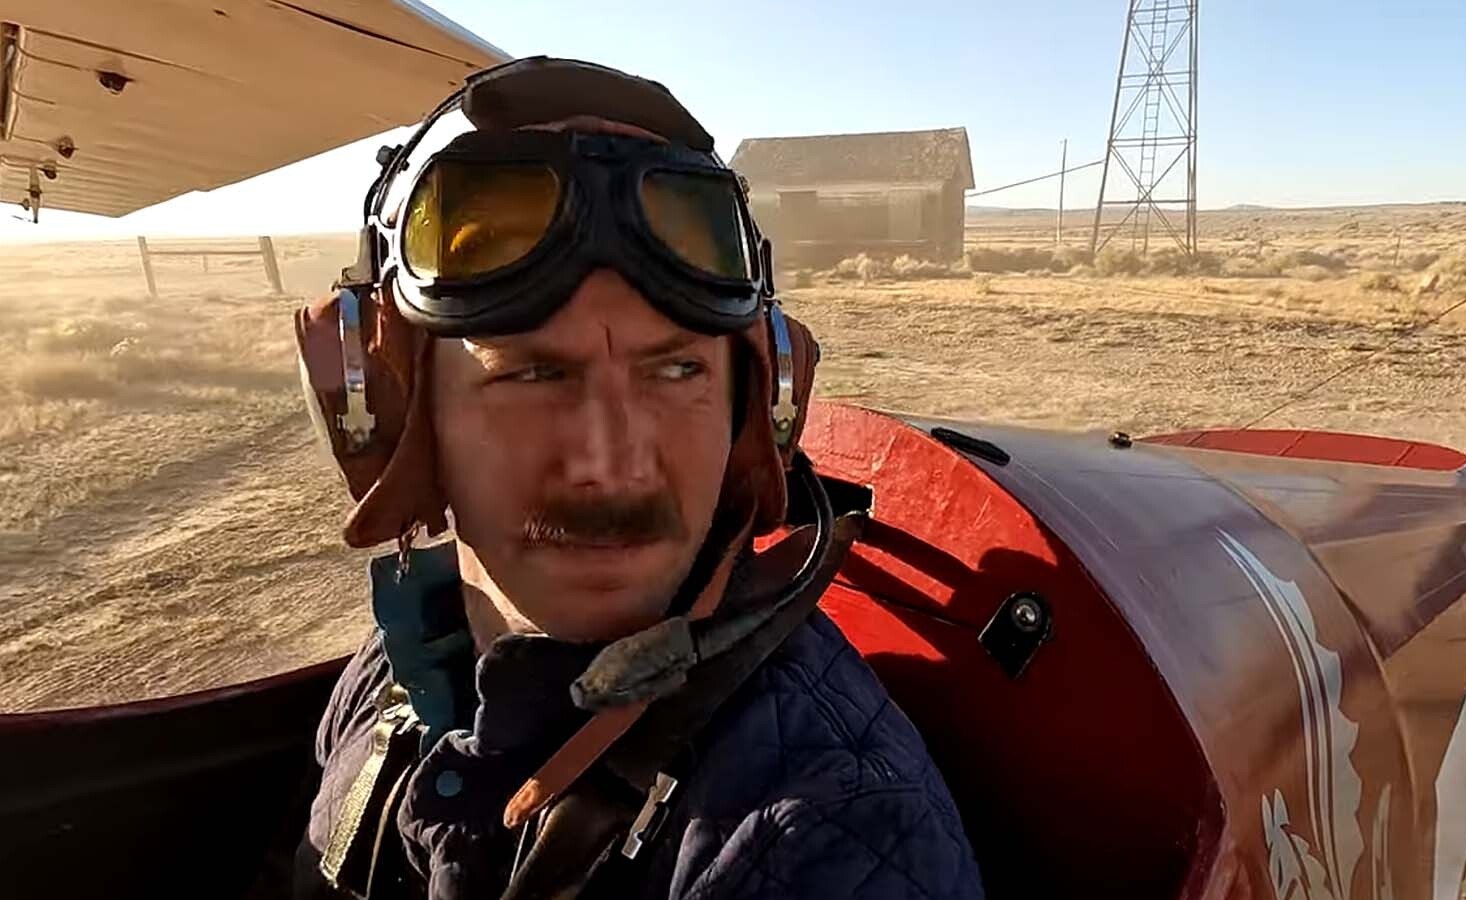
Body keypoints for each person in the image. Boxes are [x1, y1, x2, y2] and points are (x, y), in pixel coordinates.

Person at [290, 56, 983, 899]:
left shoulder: (823, 833)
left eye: (677, 373)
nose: (612, 464)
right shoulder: (395, 662)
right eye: (533, 375)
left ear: (758, 416)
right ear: (398, 420)